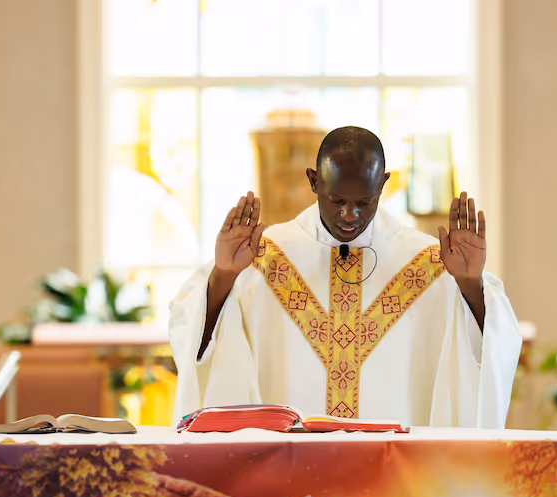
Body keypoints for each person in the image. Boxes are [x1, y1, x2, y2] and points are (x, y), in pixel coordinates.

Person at [169, 126, 522, 427]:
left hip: (395, 477)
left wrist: (470, 286)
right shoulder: (263, 256)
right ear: (313, 181)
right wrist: (224, 276)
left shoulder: (431, 264)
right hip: (285, 467)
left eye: (365, 203)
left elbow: (488, 352)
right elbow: (197, 340)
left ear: (383, 185)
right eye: (337, 200)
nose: (350, 215)